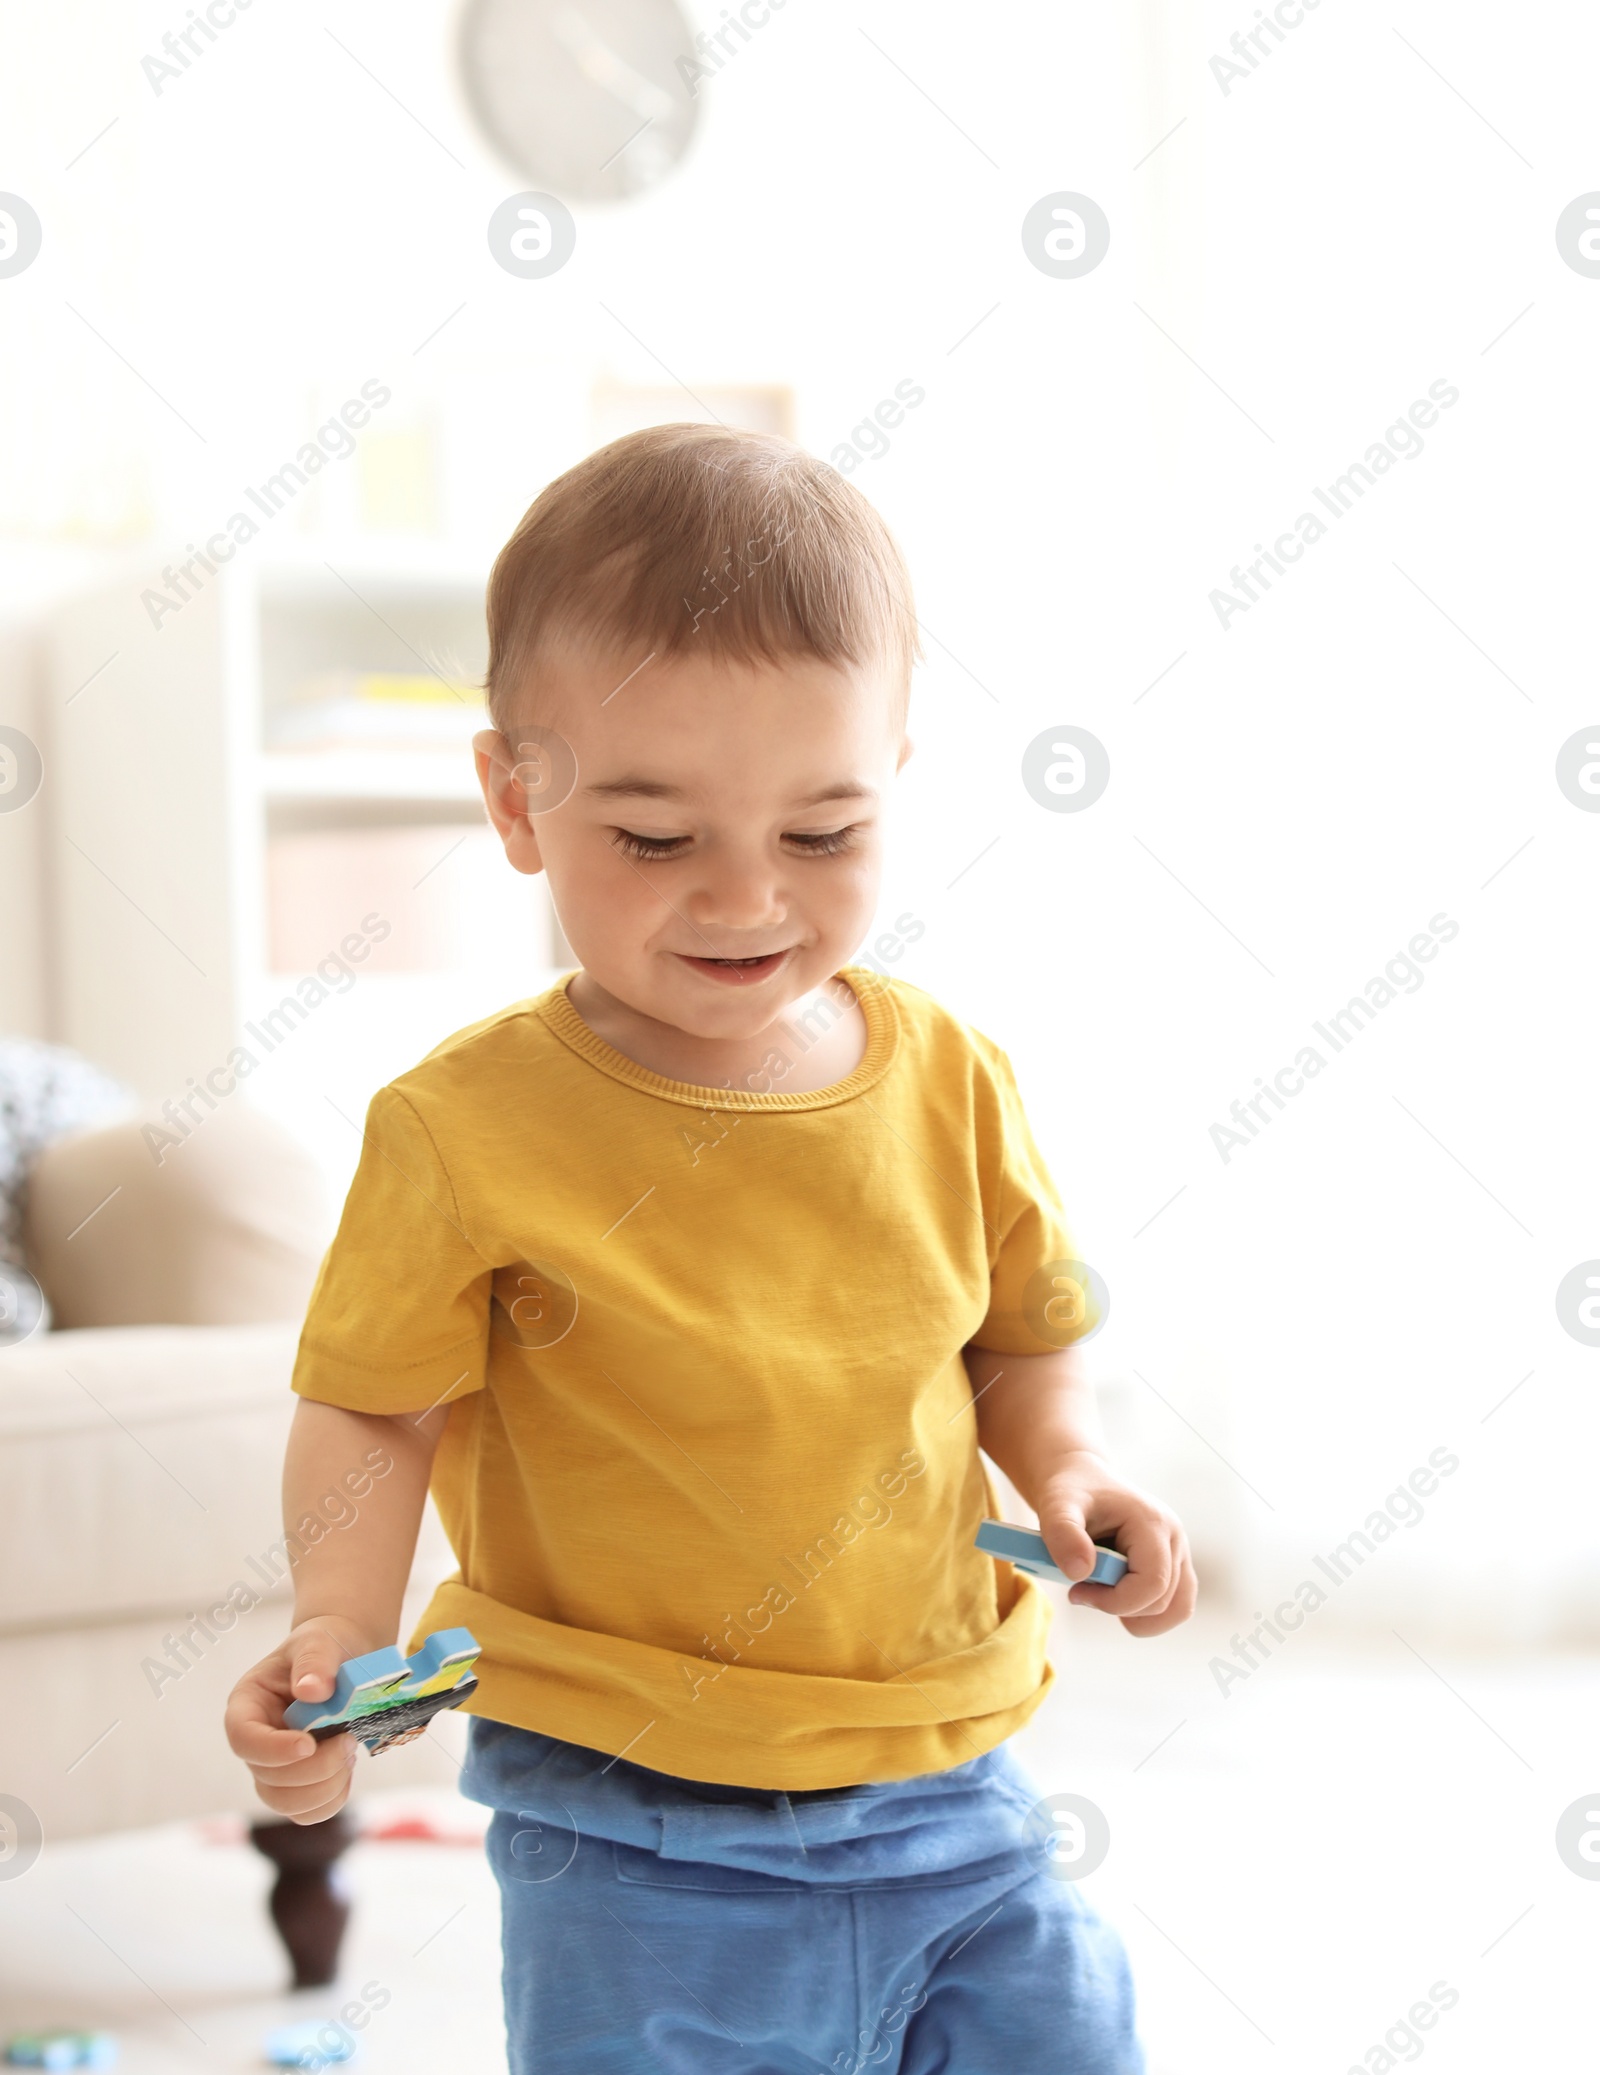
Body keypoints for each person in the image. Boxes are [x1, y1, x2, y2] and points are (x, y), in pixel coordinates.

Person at [225, 424, 1197, 2073]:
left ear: (894, 776)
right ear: (515, 801)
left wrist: (1073, 1472)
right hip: (632, 1824)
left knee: (1076, 2038)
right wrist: (341, 1625)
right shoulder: (462, 1127)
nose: (747, 899)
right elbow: (377, 1406)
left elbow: (1021, 1337)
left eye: (823, 835)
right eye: (657, 840)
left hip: (949, 1777)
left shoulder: (951, 1077)